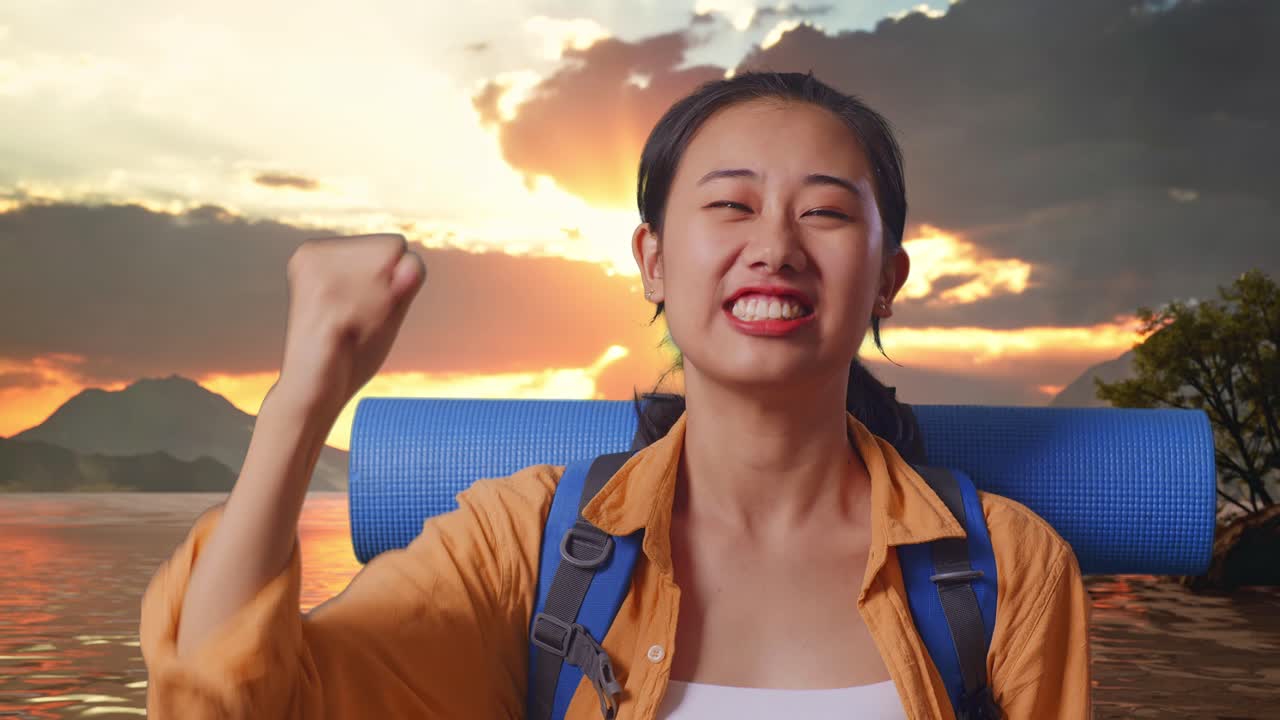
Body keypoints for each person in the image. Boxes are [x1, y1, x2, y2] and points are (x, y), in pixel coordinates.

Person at [139, 70, 1091, 719]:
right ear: (653, 261)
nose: (776, 245)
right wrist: (305, 394)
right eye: (729, 203)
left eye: (827, 212)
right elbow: (241, 707)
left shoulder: (1005, 572)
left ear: (888, 277)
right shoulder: (528, 548)